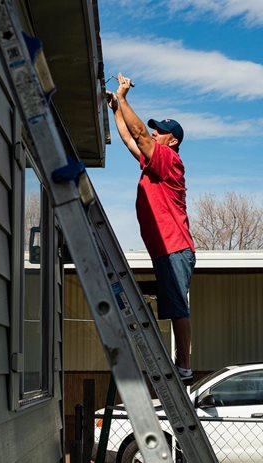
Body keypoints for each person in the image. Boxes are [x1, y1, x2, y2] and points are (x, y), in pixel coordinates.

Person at [107, 73, 195, 381]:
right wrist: (115, 107)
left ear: (172, 140)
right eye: (156, 129)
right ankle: (181, 363)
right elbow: (130, 138)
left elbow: (140, 135)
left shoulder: (169, 159)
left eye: (161, 132)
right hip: (164, 247)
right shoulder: (151, 163)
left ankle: (183, 366)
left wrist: (124, 99)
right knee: (172, 302)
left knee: (177, 307)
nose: (155, 133)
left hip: (174, 246)